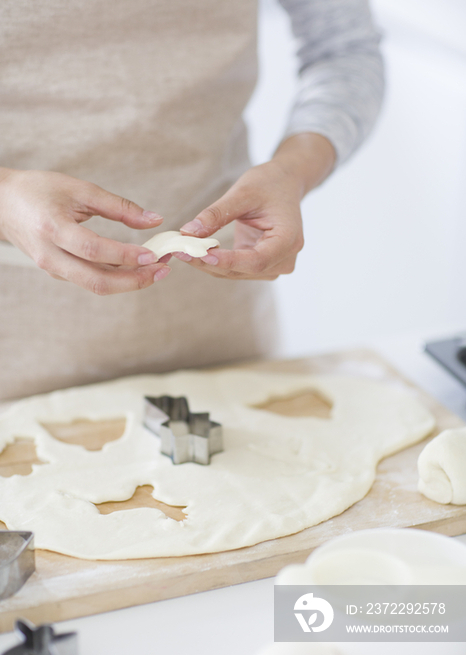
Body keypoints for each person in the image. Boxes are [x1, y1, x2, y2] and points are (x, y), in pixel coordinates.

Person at [0, 0, 384, 400]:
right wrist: (6, 197)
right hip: (20, 333)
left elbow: (345, 47)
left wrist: (295, 169)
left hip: (219, 318)